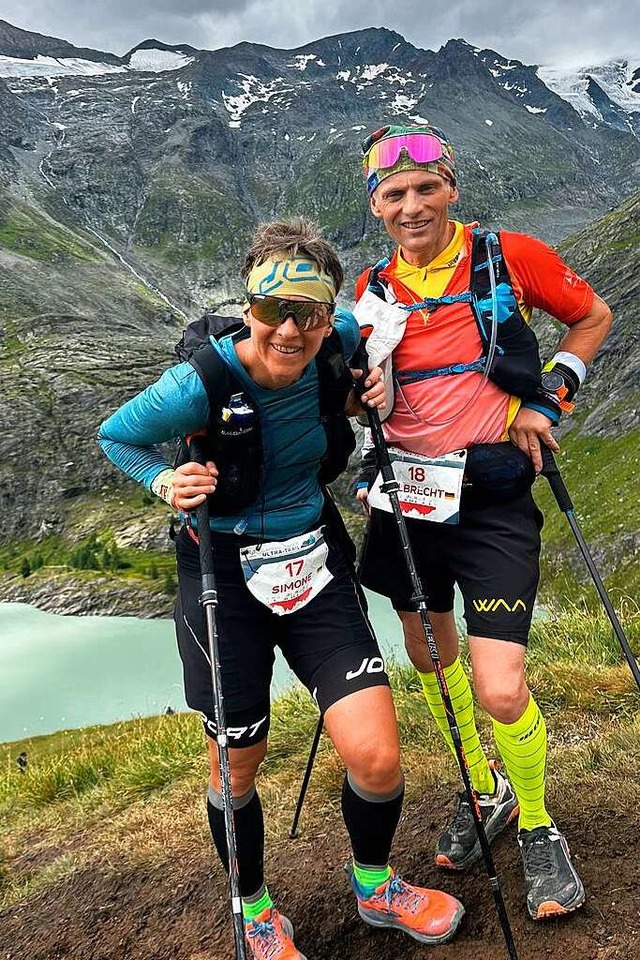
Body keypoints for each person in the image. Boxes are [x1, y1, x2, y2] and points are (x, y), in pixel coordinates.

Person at [98, 219, 464, 960]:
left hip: (315, 560)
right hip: (221, 578)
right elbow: (117, 436)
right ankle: (254, 910)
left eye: (309, 312)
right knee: (235, 765)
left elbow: (380, 320)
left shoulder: (344, 340)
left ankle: (375, 885)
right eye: (272, 311)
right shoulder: (199, 380)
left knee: (377, 757)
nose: (290, 330)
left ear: (329, 314)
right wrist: (164, 479)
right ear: (249, 308)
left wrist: (375, 385)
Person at [353, 125, 612, 921]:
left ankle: (537, 823)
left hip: (494, 496)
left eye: (425, 188)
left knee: (501, 689)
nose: (411, 205)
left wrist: (549, 399)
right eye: (393, 194)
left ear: (451, 189)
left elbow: (591, 316)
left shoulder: (508, 254)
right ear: (376, 206)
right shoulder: (372, 288)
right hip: (407, 503)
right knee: (430, 654)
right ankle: (483, 789)